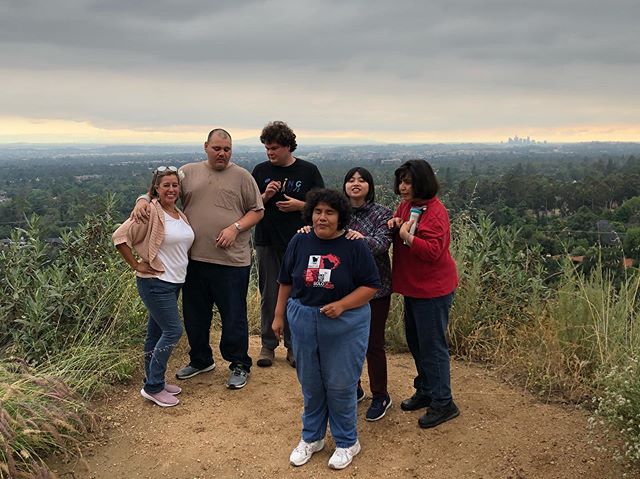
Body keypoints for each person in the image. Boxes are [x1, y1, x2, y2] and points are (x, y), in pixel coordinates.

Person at [131, 129, 264, 389]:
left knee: (233, 315)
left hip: (232, 261)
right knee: (195, 315)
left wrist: (234, 228)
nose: (222, 153)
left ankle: (239, 364)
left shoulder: (242, 177)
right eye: (217, 148)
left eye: (227, 149)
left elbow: (257, 211)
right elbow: (163, 188)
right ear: (206, 147)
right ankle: (201, 359)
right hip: (193, 260)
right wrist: (143, 199)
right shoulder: (188, 172)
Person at [273, 189, 380, 470]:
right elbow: (285, 280)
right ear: (310, 213)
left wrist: (343, 305)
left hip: (345, 323)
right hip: (304, 317)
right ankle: (312, 437)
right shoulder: (300, 239)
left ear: (340, 216)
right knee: (310, 382)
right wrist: (278, 316)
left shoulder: (355, 246)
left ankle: (347, 442)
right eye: (318, 211)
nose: (322, 217)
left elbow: (371, 286)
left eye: (329, 212)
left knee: (341, 384)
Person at [299, 168, 393, 421]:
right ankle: (355, 387)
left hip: (375, 288)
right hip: (340, 291)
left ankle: (380, 394)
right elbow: (322, 234)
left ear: (370, 186)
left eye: (362, 180)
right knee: (343, 345)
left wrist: (357, 239)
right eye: (351, 179)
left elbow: (382, 244)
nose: (356, 183)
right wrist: (307, 231)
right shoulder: (336, 211)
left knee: (373, 344)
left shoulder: (381, 213)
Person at [113, 166, 195, 407]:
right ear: (156, 189)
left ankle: (152, 379)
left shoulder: (178, 213)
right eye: (166, 185)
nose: (171, 189)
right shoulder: (150, 211)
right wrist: (136, 265)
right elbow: (119, 237)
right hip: (156, 282)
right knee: (172, 331)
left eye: (174, 185)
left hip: (174, 282)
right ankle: (153, 387)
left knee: (156, 333)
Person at [387, 159, 459, 428]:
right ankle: (427, 389)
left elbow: (432, 251)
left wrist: (405, 235)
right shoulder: (407, 205)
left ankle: (444, 402)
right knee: (416, 343)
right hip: (414, 287)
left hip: (433, 289)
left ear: (422, 182)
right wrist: (396, 223)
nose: (403, 187)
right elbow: (405, 229)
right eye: (401, 181)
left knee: (432, 346)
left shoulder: (436, 211)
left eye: (408, 182)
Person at [252, 121, 324, 368]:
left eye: (274, 148)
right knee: (269, 295)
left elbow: (323, 208)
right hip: (267, 241)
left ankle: (295, 347)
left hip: (301, 243)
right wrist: (266, 196)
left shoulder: (308, 171)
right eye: (267, 148)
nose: (270, 153)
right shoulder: (260, 171)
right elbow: (251, 207)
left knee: (299, 295)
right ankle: (268, 345)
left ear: (288, 147)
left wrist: (300, 206)